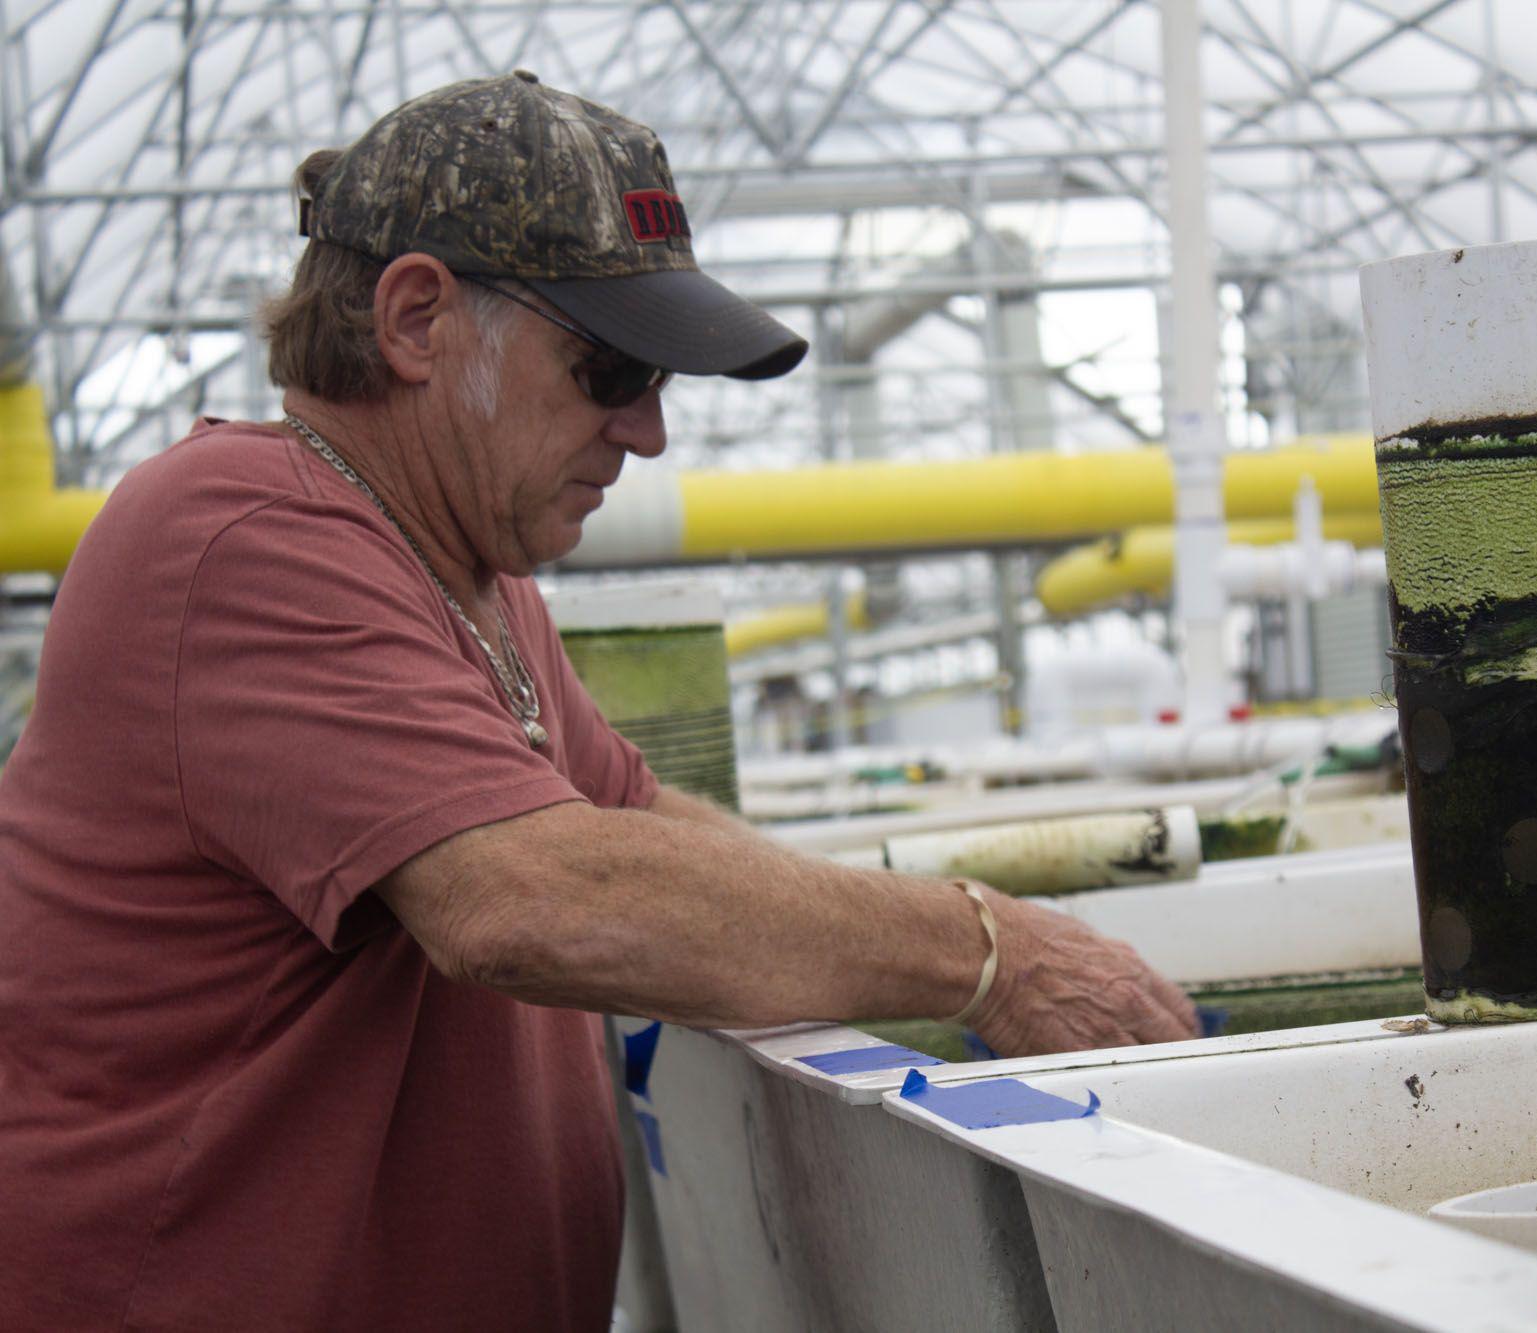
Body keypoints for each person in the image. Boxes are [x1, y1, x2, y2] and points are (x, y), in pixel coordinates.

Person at [0, 72, 1197, 1331]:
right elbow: (529, 896)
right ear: (416, 318)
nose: (648, 432)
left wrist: (952, 958)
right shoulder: (240, 540)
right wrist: (982, 953)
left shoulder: (465, 575)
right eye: (611, 367)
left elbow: (642, 828)